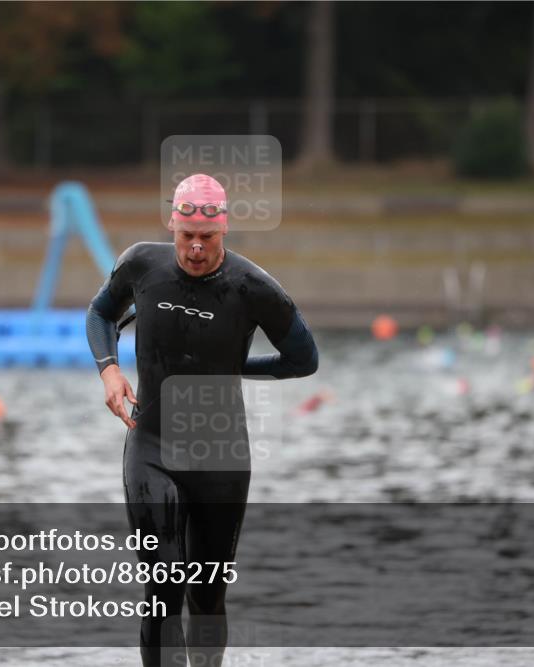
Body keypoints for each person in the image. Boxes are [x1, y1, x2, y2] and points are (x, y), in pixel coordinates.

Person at [86, 173, 318, 667]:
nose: (195, 249)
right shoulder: (140, 264)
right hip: (151, 446)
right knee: (163, 583)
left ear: (224, 231)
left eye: (206, 239)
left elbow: (304, 359)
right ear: (172, 224)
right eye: (186, 236)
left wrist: (236, 370)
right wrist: (109, 370)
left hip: (221, 456)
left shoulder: (253, 288)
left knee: (207, 596)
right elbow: (100, 313)